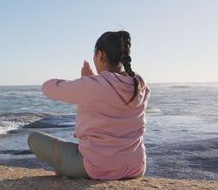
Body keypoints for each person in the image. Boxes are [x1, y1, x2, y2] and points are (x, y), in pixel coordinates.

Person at [27, 30, 151, 180]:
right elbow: (110, 103)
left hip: (98, 167)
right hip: (136, 166)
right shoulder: (140, 85)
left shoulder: (93, 86)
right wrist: (88, 83)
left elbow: (48, 88)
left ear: (101, 55)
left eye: (95, 55)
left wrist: (84, 83)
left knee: (34, 138)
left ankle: (67, 170)